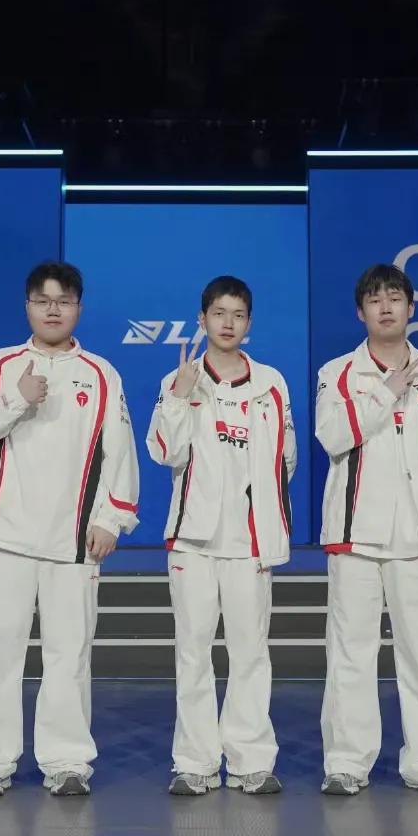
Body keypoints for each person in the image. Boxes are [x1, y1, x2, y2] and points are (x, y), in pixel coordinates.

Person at [0, 260, 140, 797]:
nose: (53, 310)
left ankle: (67, 760)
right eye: (42, 300)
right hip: (4, 535)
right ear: (27, 306)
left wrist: (111, 519)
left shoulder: (101, 374)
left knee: (69, 652)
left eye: (64, 301)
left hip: (74, 539)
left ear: (78, 308)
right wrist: (16, 397)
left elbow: (120, 452)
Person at [312, 263, 418, 798]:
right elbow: (332, 436)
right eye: (375, 299)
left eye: (395, 297)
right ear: (361, 312)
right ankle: (347, 762)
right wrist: (384, 393)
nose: (385, 307)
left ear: (410, 308)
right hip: (355, 533)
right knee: (350, 653)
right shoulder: (338, 373)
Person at [147, 275, 297, 797]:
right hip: (193, 539)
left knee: (250, 652)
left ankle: (251, 760)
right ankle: (195, 762)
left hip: (250, 541)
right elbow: (164, 451)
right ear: (202, 320)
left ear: (248, 323)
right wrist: (181, 397)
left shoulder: (271, 383)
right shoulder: (179, 380)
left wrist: (260, 510)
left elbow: (285, 459)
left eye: (237, 314)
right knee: (193, 652)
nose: (228, 323)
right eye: (218, 313)